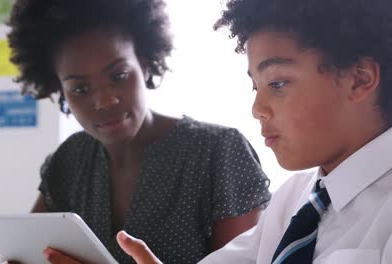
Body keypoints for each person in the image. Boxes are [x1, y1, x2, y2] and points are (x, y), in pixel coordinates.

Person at [0, 0, 271, 263]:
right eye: (80, 87)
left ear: (145, 64)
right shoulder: (69, 160)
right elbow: (31, 254)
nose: (105, 100)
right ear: (59, 90)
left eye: (119, 75)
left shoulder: (218, 152)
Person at [107, 0, 392, 263]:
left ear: (359, 79)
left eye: (277, 84)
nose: (258, 108)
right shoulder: (291, 201)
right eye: (256, 87)